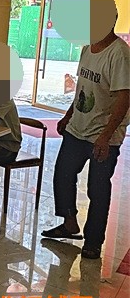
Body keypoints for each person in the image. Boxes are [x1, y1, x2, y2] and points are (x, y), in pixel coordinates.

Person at [42, 20, 130, 260]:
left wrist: (106, 136)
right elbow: (83, 88)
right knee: (63, 173)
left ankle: (93, 241)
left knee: (97, 189)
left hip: (104, 135)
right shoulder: (87, 49)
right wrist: (68, 115)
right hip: (78, 128)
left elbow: (125, 98)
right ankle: (69, 223)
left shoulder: (120, 54)